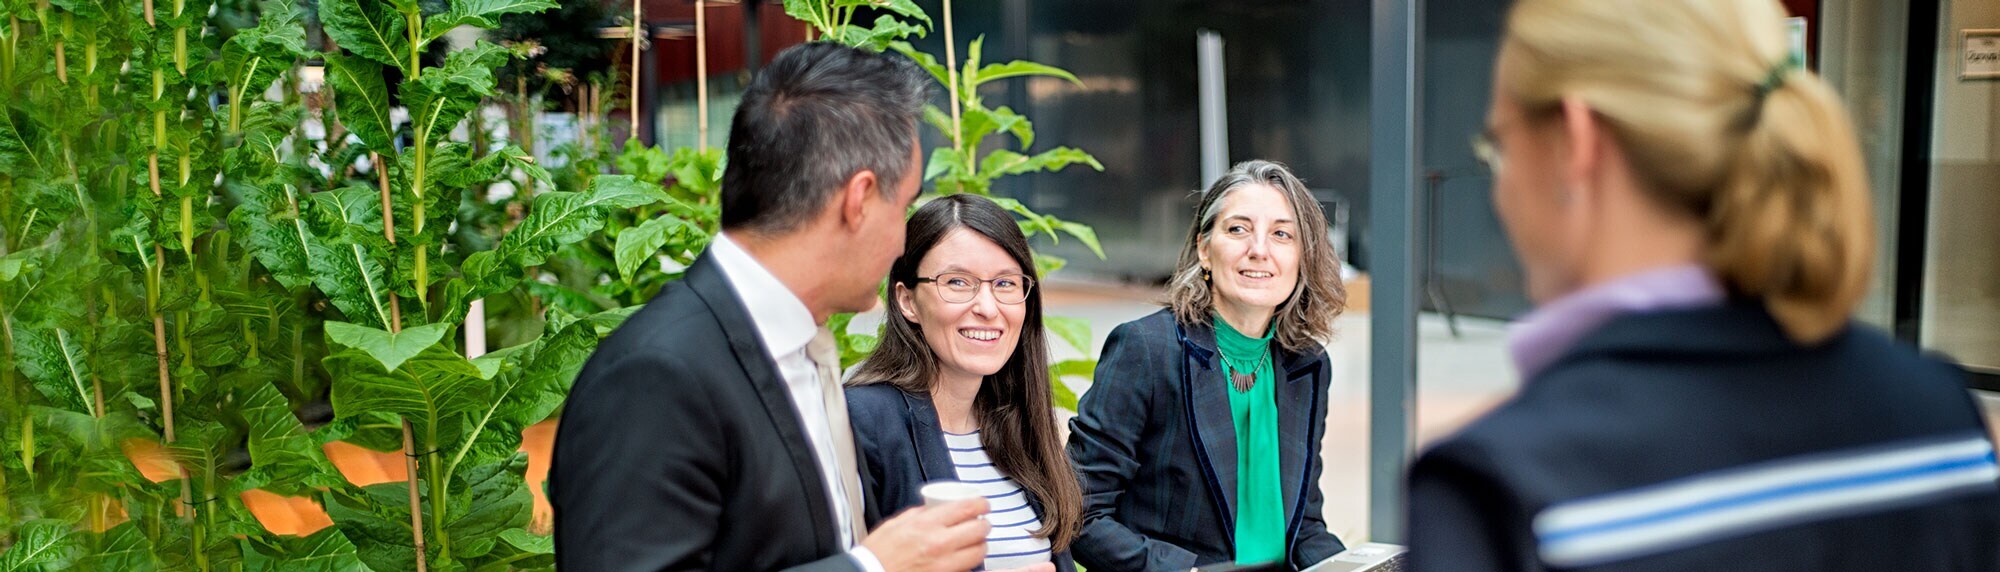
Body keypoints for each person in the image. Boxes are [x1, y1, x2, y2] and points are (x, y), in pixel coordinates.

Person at [1405, 1, 2000, 570]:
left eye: (1499, 146)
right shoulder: (1941, 421)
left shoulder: (1502, 491)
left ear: (1576, 142)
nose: (1500, 189)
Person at [553, 42, 994, 572]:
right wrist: (873, 567)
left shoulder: (802, 346)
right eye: (903, 206)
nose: (903, 241)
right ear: (858, 200)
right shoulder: (654, 374)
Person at [1068, 160, 1349, 571]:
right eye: (1238, 229)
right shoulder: (1147, 349)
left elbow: (1304, 527)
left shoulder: (1307, 365)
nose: (1259, 250)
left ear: (1302, 257)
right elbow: (1081, 513)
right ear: (1204, 249)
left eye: (1282, 234)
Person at [846, 194, 1081, 572]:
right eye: (957, 282)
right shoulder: (864, 421)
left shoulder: (1019, 422)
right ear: (907, 300)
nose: (987, 308)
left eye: (1005, 283)